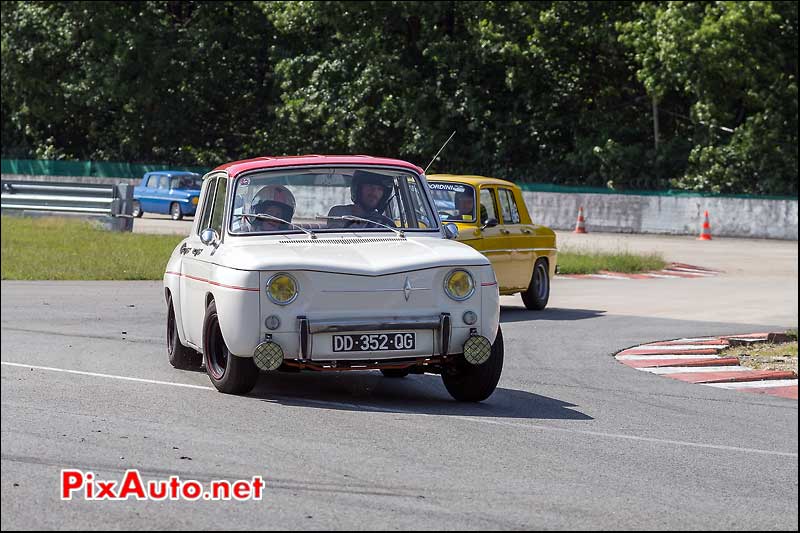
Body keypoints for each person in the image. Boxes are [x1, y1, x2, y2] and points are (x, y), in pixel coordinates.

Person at [326, 170, 396, 229]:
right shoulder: (339, 214)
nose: (374, 192)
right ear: (358, 189)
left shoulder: (386, 224)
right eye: (370, 186)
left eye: (379, 189)